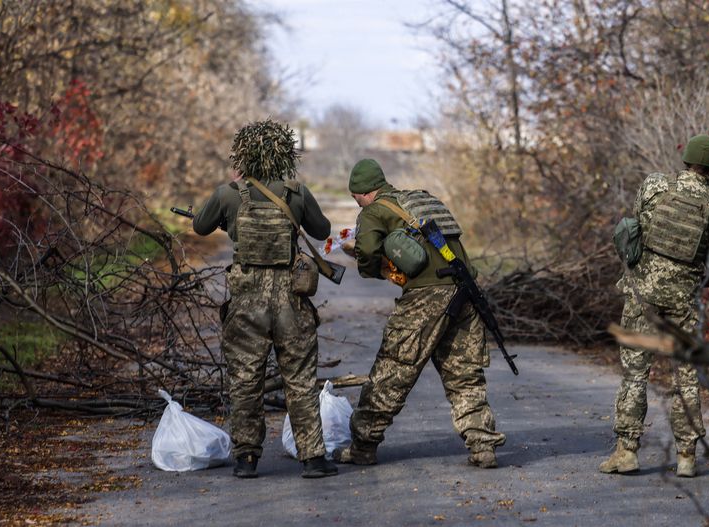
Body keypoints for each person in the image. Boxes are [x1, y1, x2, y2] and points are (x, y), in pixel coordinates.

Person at [333, 158, 506, 468]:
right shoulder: (422, 200)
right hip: (464, 290)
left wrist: (375, 269)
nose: (357, 203)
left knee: (392, 370)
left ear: (361, 192)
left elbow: (368, 253)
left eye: (355, 198)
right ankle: (483, 445)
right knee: (464, 375)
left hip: (425, 297)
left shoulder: (373, 212)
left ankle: (362, 446)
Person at [192, 119, 338, 479]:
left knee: (245, 380)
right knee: (301, 380)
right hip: (291, 297)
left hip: (247, 301)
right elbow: (323, 230)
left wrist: (232, 220)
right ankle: (313, 458)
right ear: (285, 153)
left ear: (242, 154)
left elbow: (199, 227)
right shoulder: (297, 191)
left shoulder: (229, 193)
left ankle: (246, 459)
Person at [600, 134, 709, 478]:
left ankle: (626, 451)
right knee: (686, 376)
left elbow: (636, 225)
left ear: (686, 157)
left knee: (635, 372)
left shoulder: (655, 184)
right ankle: (686, 456)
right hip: (683, 301)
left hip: (643, 295)